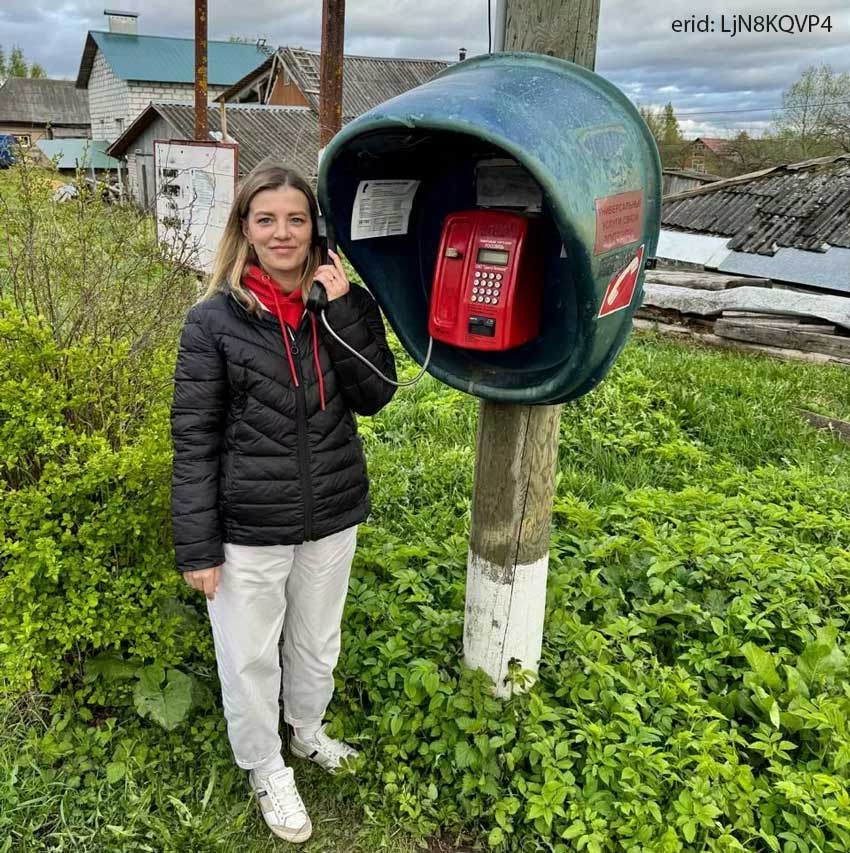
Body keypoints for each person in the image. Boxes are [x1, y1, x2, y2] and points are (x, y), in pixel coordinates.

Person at [170, 162, 397, 843]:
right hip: (249, 525)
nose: (283, 232)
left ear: (314, 230)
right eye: (266, 219)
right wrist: (198, 545)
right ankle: (266, 765)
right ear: (245, 228)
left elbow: (377, 393)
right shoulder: (213, 321)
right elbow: (194, 437)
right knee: (249, 657)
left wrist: (345, 308)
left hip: (330, 511)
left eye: (296, 219)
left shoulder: (339, 305)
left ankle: (306, 730)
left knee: (316, 644)